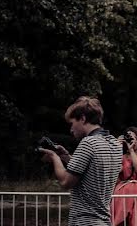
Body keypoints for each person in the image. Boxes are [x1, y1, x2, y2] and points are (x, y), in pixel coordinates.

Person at [39, 96, 123, 226]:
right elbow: (93, 172)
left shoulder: (88, 143)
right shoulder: (115, 143)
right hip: (104, 221)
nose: (71, 129)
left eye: (72, 123)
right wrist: (66, 157)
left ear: (83, 118)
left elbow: (66, 182)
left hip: (84, 221)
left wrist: (54, 157)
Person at [111, 126, 137, 226]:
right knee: (120, 221)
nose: (133, 141)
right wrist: (117, 147)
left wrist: (132, 151)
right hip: (123, 191)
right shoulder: (122, 156)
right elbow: (114, 171)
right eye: (130, 138)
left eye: (136, 138)